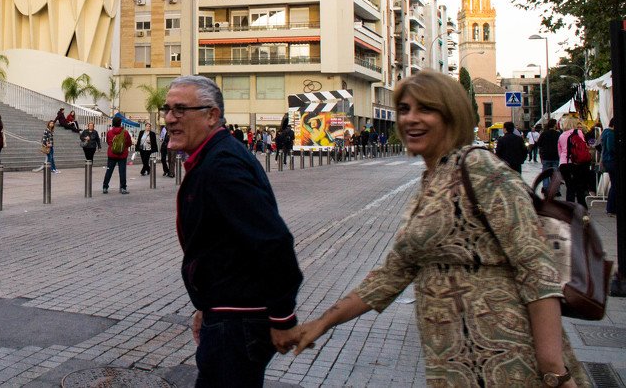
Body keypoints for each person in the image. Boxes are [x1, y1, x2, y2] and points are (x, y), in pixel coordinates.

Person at [290, 71, 586, 388]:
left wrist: (553, 368)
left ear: (451, 115)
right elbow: (391, 276)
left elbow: (536, 265)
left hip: (511, 363)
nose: (411, 119)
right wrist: (321, 324)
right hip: (454, 367)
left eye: (425, 109)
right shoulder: (432, 181)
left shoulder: (479, 168)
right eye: (404, 110)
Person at [166, 75, 302, 387]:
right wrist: (207, 306)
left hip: (238, 325)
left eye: (180, 110)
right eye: (168, 109)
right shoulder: (213, 157)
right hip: (227, 315)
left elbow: (273, 241)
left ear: (211, 116)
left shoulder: (222, 165)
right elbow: (220, 246)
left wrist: (283, 318)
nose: (170, 118)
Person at [558, 116, 591, 206]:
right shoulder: (578, 132)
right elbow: (583, 147)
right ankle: (582, 209)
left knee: (570, 187)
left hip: (564, 164)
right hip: (576, 163)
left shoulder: (561, 135)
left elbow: (560, 152)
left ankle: (570, 208)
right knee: (579, 187)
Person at [102, 116, 132, 194]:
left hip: (112, 154)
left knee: (109, 171)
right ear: (120, 123)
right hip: (122, 155)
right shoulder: (125, 132)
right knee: (122, 171)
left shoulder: (109, 132)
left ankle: (105, 187)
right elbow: (129, 143)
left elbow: (109, 142)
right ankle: (123, 188)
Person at [601, 118, 616, 216]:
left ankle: (611, 208)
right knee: (615, 184)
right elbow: (611, 148)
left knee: (614, 184)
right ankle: (611, 208)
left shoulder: (605, 132)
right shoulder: (610, 133)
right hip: (612, 161)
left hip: (607, 161)